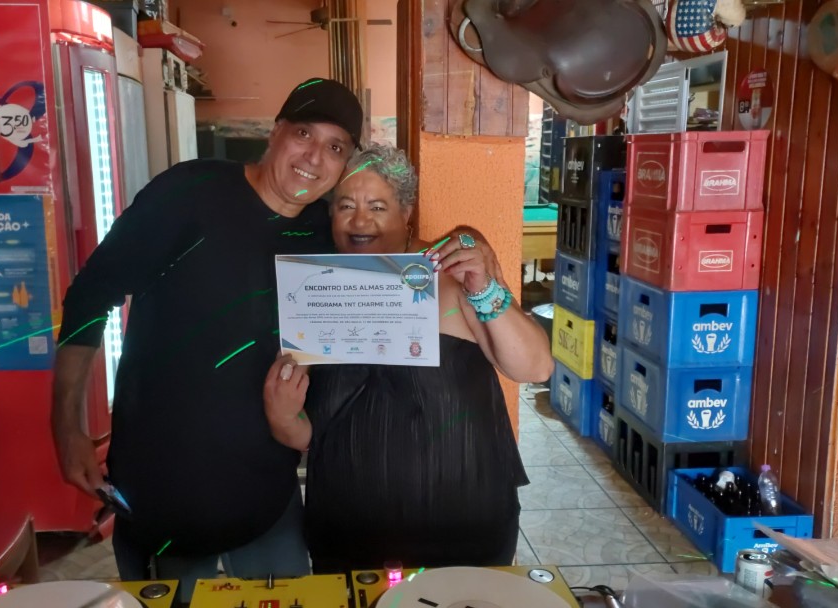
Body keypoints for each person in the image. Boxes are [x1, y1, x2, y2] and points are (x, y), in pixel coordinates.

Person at [51, 78, 502, 602]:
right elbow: (91, 295)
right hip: (164, 495)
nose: (314, 157)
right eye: (304, 134)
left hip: (268, 502)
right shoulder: (188, 193)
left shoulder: (324, 235)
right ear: (276, 132)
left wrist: (469, 238)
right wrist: (66, 426)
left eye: (335, 147)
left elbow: (400, 255)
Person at [263, 143, 554, 573]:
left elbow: (535, 367)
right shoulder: (313, 292)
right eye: (346, 206)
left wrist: (483, 286)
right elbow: (308, 436)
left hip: (465, 528)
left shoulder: (450, 274)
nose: (360, 220)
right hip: (349, 534)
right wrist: (282, 415)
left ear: (406, 211)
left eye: (377, 206)